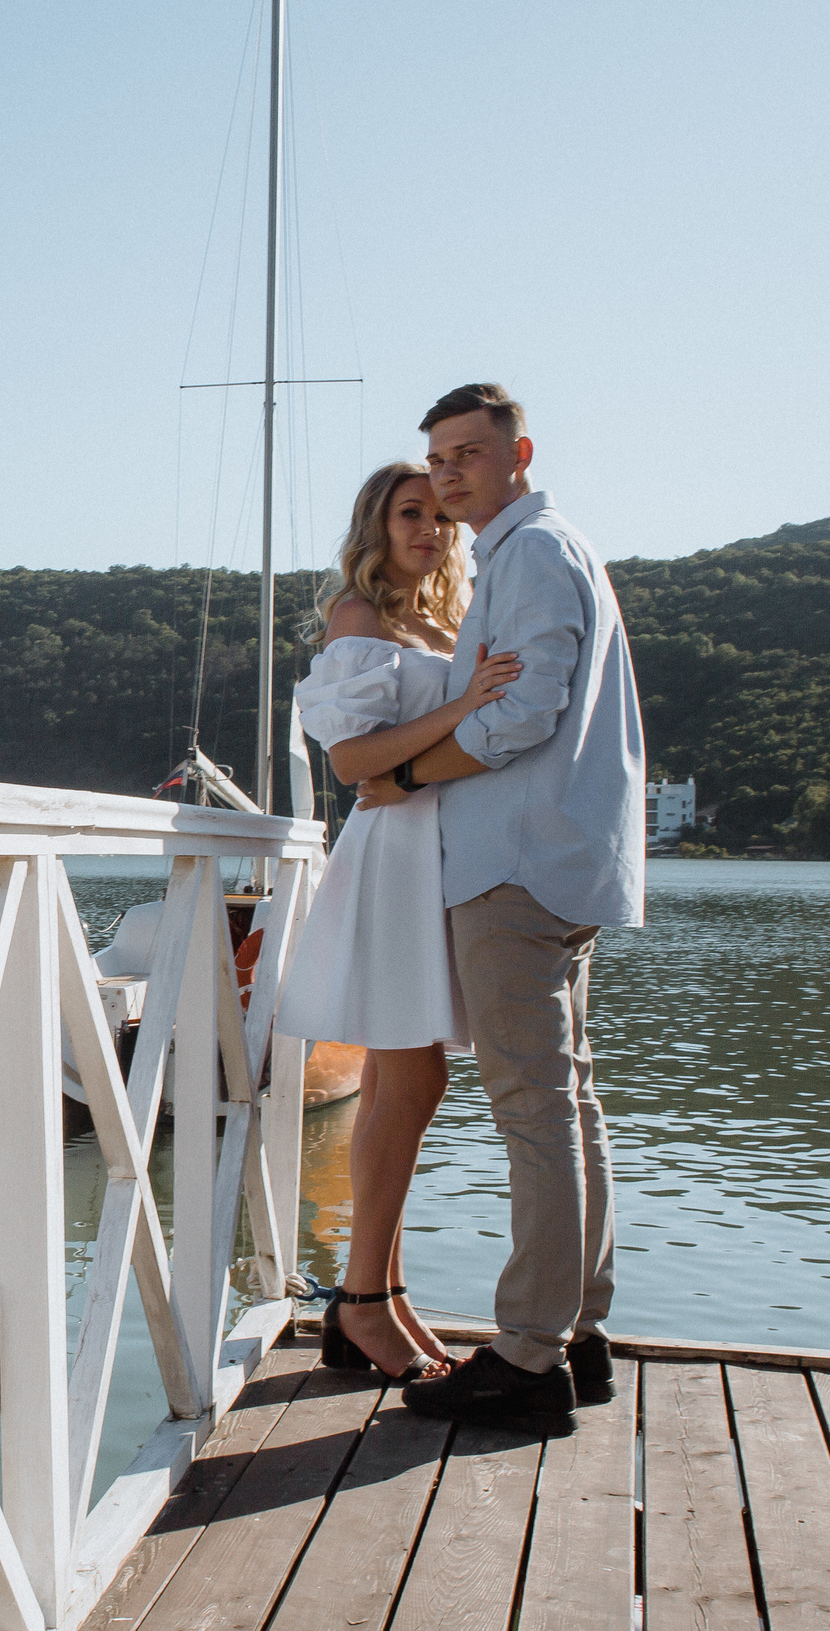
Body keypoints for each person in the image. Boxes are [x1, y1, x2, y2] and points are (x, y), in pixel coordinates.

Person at [357, 383, 646, 1433]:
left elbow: (523, 714)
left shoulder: (527, 553)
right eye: (435, 459)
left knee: (534, 1108)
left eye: (467, 455)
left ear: (517, 452)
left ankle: (527, 1361)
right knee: (566, 1104)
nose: (446, 475)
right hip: (559, 858)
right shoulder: (541, 549)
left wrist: (404, 776)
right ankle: (579, 1333)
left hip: (516, 863)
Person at [275, 461, 522, 1382]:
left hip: (442, 853)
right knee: (411, 1082)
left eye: (438, 516)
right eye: (408, 514)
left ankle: (381, 1291)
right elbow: (350, 761)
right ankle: (362, 1300)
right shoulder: (359, 617)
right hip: (395, 858)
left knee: (396, 1082)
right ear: (374, 528)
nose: (429, 529)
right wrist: (464, 704)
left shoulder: (446, 620)